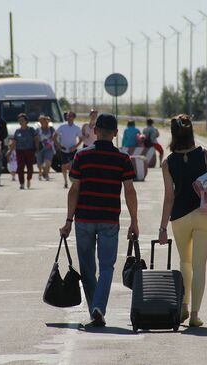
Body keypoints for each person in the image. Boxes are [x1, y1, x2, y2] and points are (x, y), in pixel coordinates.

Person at [59, 113, 139, 328]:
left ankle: (95, 308)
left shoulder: (82, 156)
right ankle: (98, 308)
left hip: (83, 219)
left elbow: (74, 190)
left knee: (87, 269)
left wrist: (68, 220)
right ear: (115, 133)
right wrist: (134, 221)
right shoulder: (122, 159)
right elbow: (129, 191)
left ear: (95, 131)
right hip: (109, 220)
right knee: (106, 268)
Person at [158, 114, 207, 327]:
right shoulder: (204, 155)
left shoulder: (168, 162)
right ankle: (194, 315)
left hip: (179, 217)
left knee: (185, 263)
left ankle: (182, 306)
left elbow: (169, 197)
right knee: (200, 266)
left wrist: (162, 228)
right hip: (203, 216)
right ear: (191, 131)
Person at [11, 113, 39, 189]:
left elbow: (36, 139)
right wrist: (10, 150)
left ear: (26, 121)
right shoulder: (17, 131)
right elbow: (14, 141)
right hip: (20, 151)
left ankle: (28, 179)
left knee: (30, 167)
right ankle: (22, 183)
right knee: (20, 167)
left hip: (29, 150)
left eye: (22, 120)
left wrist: (37, 148)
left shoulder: (31, 130)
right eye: (19, 120)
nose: (21, 122)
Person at [56, 111, 82, 189]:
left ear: (74, 117)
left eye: (71, 116)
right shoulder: (62, 126)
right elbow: (54, 136)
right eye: (68, 116)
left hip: (72, 150)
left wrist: (75, 146)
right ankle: (65, 182)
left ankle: (73, 182)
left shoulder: (76, 128)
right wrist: (59, 146)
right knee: (64, 166)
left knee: (71, 166)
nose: (69, 117)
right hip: (64, 150)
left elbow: (81, 139)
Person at [36, 115, 56, 181]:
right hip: (40, 148)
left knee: (48, 161)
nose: (41, 122)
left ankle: (46, 174)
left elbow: (55, 137)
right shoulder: (38, 130)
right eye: (40, 121)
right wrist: (36, 148)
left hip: (49, 148)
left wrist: (53, 140)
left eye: (43, 120)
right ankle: (40, 173)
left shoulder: (51, 129)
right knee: (39, 164)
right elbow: (35, 139)